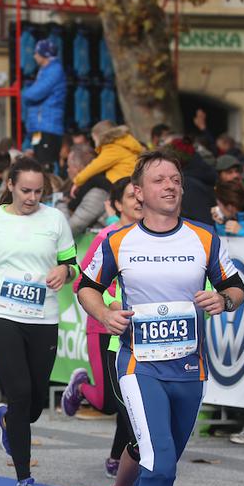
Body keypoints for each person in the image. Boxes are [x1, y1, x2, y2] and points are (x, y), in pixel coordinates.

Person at [78, 149, 244, 486]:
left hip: (189, 368)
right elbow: (87, 288)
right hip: (138, 366)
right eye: (160, 180)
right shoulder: (118, 241)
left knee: (162, 465)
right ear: (139, 191)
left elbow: (235, 287)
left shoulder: (204, 239)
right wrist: (106, 312)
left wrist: (224, 301)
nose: (171, 186)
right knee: (159, 460)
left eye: (176, 179)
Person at [0, 157, 77, 486]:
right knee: (18, 391)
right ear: (11, 185)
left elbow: (71, 264)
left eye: (38, 191)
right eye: (25, 190)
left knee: (31, 405)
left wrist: (64, 272)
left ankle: (8, 420)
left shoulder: (55, 219)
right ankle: (24, 481)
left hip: (42, 316)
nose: (31, 198)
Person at [63, 177, 142, 447]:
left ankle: (118, 458)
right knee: (109, 402)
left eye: (140, 195)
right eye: (131, 196)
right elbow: (80, 283)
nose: (138, 201)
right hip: (103, 327)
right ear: (118, 204)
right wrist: (109, 303)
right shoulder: (106, 238)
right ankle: (82, 387)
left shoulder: (149, 237)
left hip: (137, 330)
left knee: (130, 398)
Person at [21, 39, 66, 170]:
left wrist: (25, 93)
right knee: (38, 164)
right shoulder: (46, 71)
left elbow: (34, 93)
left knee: (46, 165)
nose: (34, 56)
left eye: (37, 52)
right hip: (40, 126)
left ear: (44, 54)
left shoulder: (54, 70)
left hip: (48, 126)